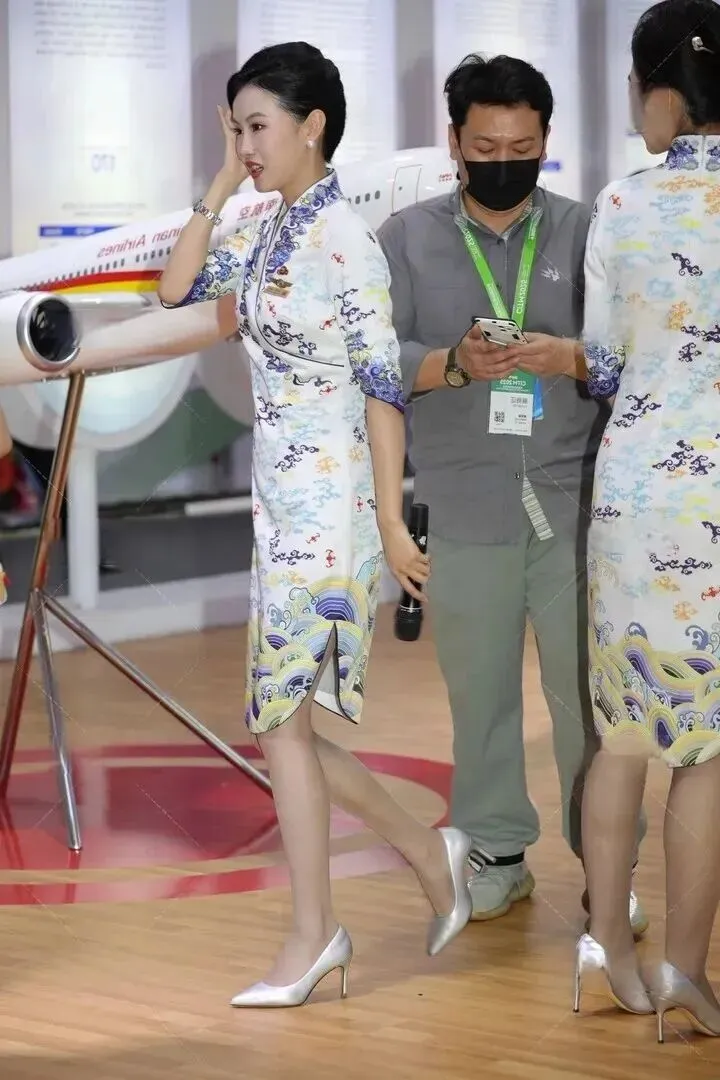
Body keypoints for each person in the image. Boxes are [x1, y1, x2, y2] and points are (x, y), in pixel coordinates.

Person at [158, 41, 473, 1009]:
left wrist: (393, 522)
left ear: (313, 127)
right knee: (284, 728)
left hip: (330, 514)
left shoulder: (343, 241)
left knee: (279, 727)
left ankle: (314, 936)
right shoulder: (267, 228)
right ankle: (427, 854)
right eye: (237, 128)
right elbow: (175, 288)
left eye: (258, 127)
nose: (248, 144)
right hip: (280, 508)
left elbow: (384, 388)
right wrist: (221, 182)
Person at [377, 54, 647, 929]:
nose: (504, 161)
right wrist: (451, 364)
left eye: (523, 148)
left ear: (545, 140)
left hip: (575, 507)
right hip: (464, 506)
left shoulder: (587, 231)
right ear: (455, 142)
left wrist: (568, 356)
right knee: (480, 696)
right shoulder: (406, 238)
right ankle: (495, 854)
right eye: (486, 147)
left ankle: (608, 869)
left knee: (588, 704)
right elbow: (377, 365)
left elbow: (637, 358)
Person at [574, 0, 720, 1040]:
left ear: (660, 90)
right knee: (708, 754)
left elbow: (604, 363)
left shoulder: (621, 202)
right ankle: (684, 973)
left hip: (633, 500)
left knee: (623, 736)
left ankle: (604, 955)